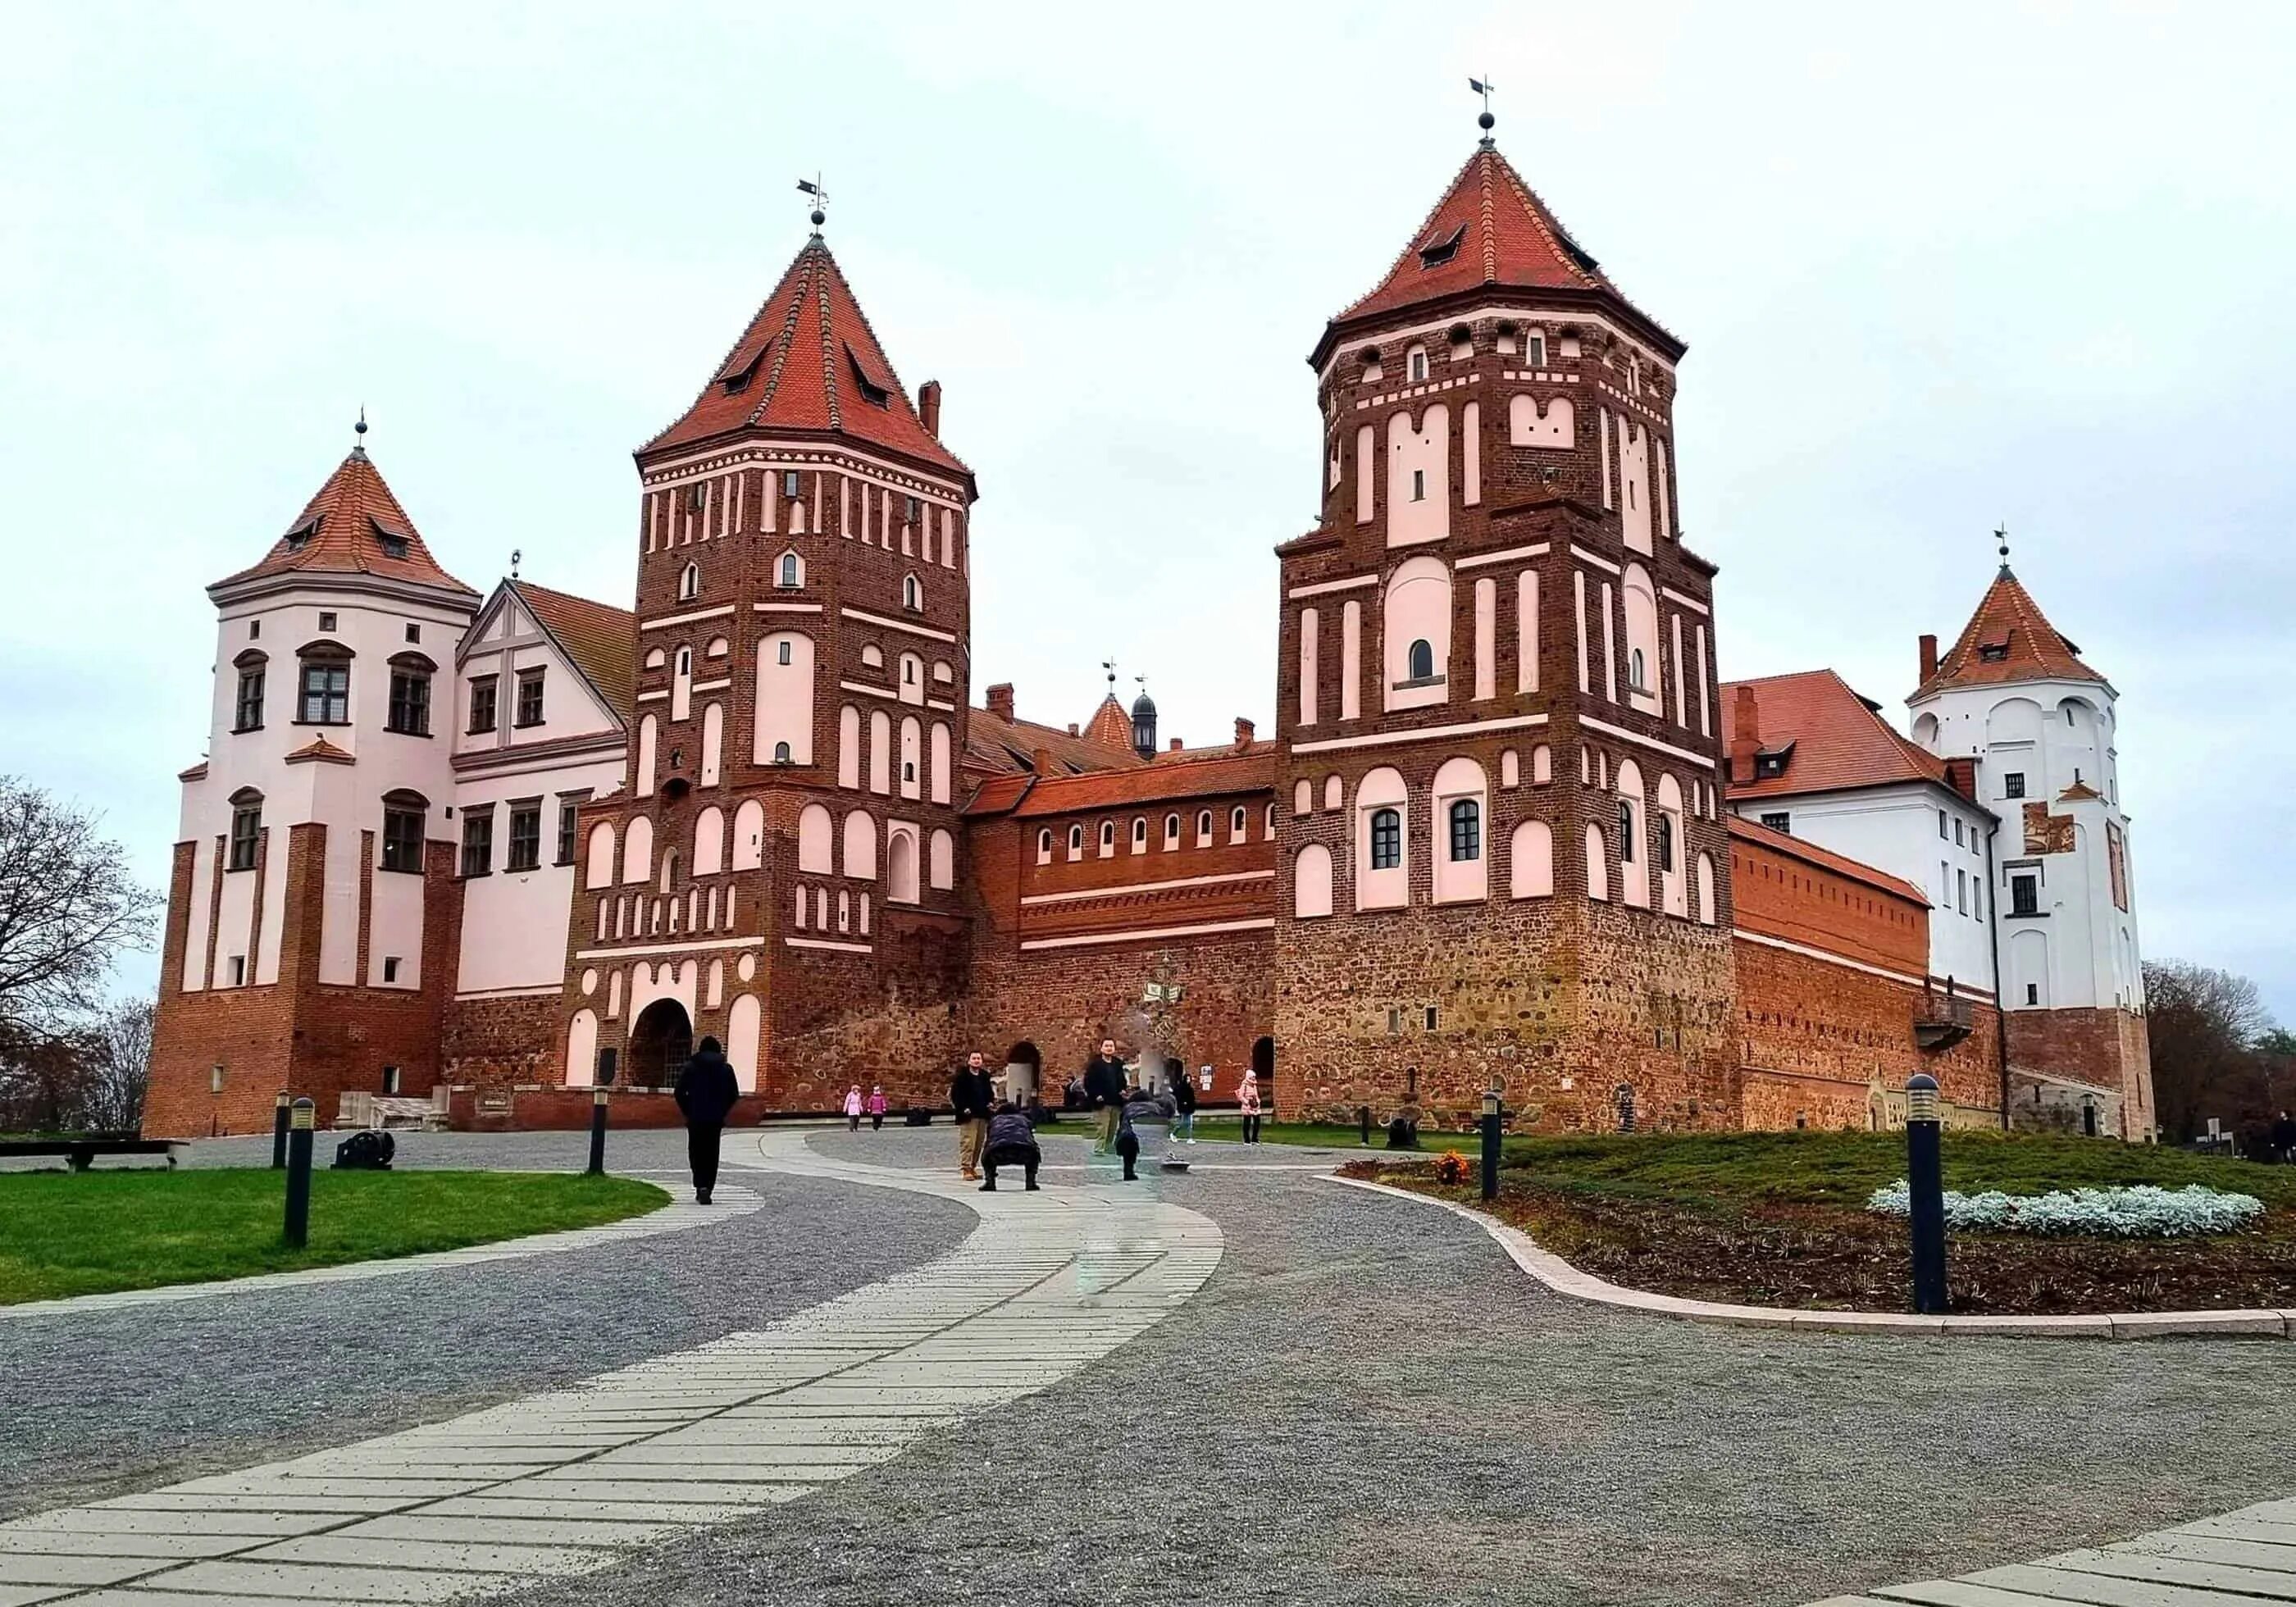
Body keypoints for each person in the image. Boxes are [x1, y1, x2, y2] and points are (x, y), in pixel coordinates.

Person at [672, 1035, 739, 1204]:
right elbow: (734, 1095)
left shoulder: (690, 1067)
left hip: (695, 1117)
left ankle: (700, 1185)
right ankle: (708, 1187)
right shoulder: (726, 1069)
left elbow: (679, 1092)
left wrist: (688, 1110)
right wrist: (722, 1110)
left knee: (696, 1152)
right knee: (712, 1153)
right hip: (715, 1118)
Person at [949, 1050, 995, 1181]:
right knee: (968, 1142)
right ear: (969, 1061)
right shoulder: (962, 1077)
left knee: (978, 1143)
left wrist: (990, 1102)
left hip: (982, 1113)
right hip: (969, 1115)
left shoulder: (984, 1076)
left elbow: (989, 1093)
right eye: (974, 1058)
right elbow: (956, 1095)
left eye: (978, 1059)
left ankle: (973, 1167)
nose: (976, 1061)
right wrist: (963, 1108)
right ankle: (966, 1168)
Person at [1116, 1083, 1176, 1181]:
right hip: (1153, 1136)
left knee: (1127, 1141)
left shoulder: (1128, 1107)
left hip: (1131, 1138)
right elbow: (1167, 1116)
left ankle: (1128, 1171)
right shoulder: (1156, 1107)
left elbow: (1122, 1125)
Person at [979, 1100, 1041, 1191]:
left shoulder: (994, 1121)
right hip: (1024, 1152)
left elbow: (989, 1140)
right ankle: (1031, 1182)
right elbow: (1030, 1138)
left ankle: (990, 1182)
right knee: (1034, 1153)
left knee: (987, 1155)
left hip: (998, 1153)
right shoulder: (1024, 1119)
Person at [1082, 1038, 1127, 1155]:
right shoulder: (1095, 1065)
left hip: (1116, 1101)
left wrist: (1123, 1089)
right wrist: (1096, 1095)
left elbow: (1122, 1080)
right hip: (1102, 1101)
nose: (1109, 1048)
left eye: (1111, 1046)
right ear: (1101, 1048)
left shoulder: (1117, 1064)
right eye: (1106, 1046)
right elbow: (1088, 1082)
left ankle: (1108, 1148)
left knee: (1113, 1128)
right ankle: (1099, 1149)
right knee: (1103, 1127)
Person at [1171, 1063, 1200, 1145]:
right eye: (1187, 1079)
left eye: (1189, 1079)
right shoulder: (1182, 1088)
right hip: (1184, 1108)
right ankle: (1173, 1134)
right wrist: (1183, 1103)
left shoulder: (1189, 1088)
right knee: (1183, 1123)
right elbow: (1178, 1096)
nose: (1189, 1080)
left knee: (1190, 1123)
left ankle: (1190, 1138)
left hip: (1190, 1108)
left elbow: (1191, 1098)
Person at [1237, 1067, 1262, 1145]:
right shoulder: (1244, 1085)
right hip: (1247, 1106)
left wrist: (1258, 1102)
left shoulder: (1254, 1085)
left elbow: (1256, 1095)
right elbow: (1240, 1096)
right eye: (1252, 1077)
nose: (1253, 1078)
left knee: (1257, 1121)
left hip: (1255, 1106)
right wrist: (1247, 1102)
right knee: (1247, 1123)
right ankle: (1247, 1139)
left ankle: (1255, 1138)